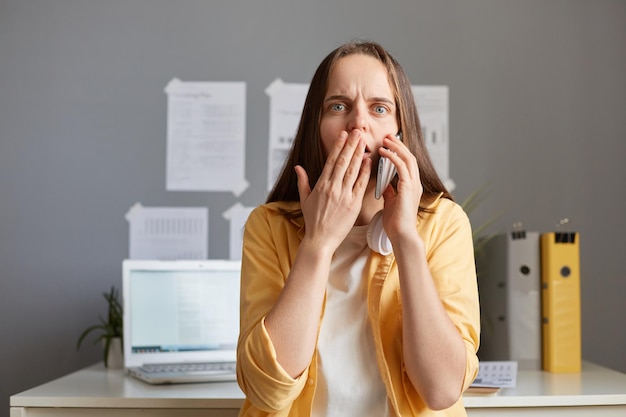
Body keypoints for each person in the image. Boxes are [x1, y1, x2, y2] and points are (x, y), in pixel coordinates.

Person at [236, 40, 480, 417]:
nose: (358, 123)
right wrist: (318, 242)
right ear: (315, 127)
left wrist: (405, 240)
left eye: (379, 108)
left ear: (399, 130)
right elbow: (267, 389)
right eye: (338, 106)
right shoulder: (268, 226)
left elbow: (442, 389)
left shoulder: (444, 223)